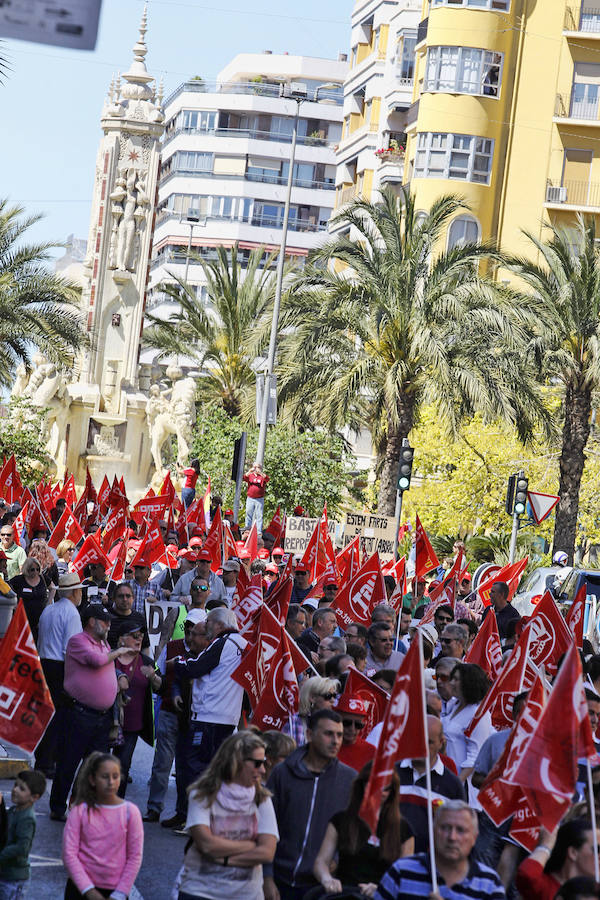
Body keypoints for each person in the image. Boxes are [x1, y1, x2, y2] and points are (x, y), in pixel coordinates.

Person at [49, 604, 130, 821]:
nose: (109, 624)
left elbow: (107, 667)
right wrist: (119, 651)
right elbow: (96, 662)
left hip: (101, 716)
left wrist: (119, 676)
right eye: (105, 621)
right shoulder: (78, 641)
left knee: (92, 766)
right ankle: (58, 806)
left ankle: (79, 804)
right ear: (92, 622)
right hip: (80, 713)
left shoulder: (103, 643)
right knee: (69, 762)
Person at [174, 730, 278, 899]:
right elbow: (206, 845)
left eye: (264, 763)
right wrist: (251, 846)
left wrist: (224, 859)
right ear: (236, 761)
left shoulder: (262, 799)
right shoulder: (202, 794)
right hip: (200, 891)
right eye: (258, 763)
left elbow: (267, 853)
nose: (263, 770)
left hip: (246, 895)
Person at [266, 709, 356, 900]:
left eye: (339, 735)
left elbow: (351, 832)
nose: (336, 741)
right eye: (328, 734)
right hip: (280, 880)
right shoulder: (282, 773)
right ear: (309, 734)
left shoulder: (349, 779)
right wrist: (267, 877)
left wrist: (336, 860)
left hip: (321, 886)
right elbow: (266, 828)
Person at [172, 608, 247, 792]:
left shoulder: (223, 642)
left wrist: (177, 661)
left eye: (208, 622)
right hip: (228, 719)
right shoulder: (244, 644)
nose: (206, 626)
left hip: (208, 718)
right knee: (215, 770)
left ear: (219, 624)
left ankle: (197, 816)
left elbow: (195, 668)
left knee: (197, 771)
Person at [313, 763, 413, 898]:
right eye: (374, 785)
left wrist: (381, 888)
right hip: (344, 894)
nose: (379, 792)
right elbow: (321, 862)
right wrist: (327, 879)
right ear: (362, 785)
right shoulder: (341, 819)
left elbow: (405, 878)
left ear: (392, 792)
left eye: (385, 788)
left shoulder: (404, 829)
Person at [374, 800, 505, 900]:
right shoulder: (401, 872)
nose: (452, 837)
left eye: (461, 830)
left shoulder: (489, 884)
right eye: (446, 828)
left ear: (474, 838)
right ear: (433, 832)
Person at [62, 752, 143, 900]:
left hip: (114, 890)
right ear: (92, 779)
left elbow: (134, 856)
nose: (111, 782)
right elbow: (69, 853)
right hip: (80, 889)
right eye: (105, 777)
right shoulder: (80, 811)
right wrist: (89, 890)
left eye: (115, 776)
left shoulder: (130, 812)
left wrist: (119, 894)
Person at [34, 572, 84, 777]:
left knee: (45, 714)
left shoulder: (49, 610)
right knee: (58, 716)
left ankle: (42, 759)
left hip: (43, 663)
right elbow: (70, 649)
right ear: (74, 592)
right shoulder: (71, 613)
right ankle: (47, 762)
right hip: (59, 666)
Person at [396, 715, 465, 852]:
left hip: (428, 866)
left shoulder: (452, 786)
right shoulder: (392, 774)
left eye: (429, 742)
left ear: (441, 743)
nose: (422, 747)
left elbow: (459, 831)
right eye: (418, 740)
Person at [112, 621, 163, 797]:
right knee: (98, 762)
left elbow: (161, 687)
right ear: (121, 639)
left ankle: (116, 804)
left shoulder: (147, 661)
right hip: (106, 721)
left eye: (141, 636)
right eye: (134, 636)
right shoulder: (109, 658)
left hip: (132, 725)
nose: (139, 639)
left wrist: (153, 677)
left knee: (123, 766)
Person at [441, 663, 493, 799]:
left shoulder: (478, 715)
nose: (451, 683)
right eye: (452, 678)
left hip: (463, 790)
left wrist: (456, 784)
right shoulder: (452, 705)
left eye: (456, 679)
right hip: (444, 778)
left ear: (469, 683)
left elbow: (475, 757)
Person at [516, 819, 597, 900]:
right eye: (597, 850)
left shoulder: (595, 893)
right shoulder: (546, 887)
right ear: (573, 853)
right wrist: (546, 845)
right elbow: (527, 875)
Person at [0, 769, 46, 899]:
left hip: (14, 880)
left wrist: (1, 855)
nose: (15, 790)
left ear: (34, 797)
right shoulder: (14, 810)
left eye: (21, 788)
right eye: (15, 785)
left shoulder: (27, 818)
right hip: (5, 874)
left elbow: (22, 847)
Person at [283, 676, 340, 747]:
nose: (332, 700)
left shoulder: (337, 723)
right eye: (328, 696)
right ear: (312, 698)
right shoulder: (294, 722)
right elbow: (286, 752)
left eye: (334, 696)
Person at [10, 557, 47, 643]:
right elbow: (7, 587)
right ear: (27, 569)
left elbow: (53, 588)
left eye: (37, 569)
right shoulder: (19, 580)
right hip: (23, 618)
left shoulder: (43, 578)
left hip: (39, 619)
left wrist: (48, 603)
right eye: (32, 569)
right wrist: (14, 603)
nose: (35, 572)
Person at [335, 694, 376, 772]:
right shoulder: (323, 745)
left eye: (358, 725)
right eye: (347, 723)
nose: (352, 729)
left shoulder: (371, 752)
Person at [107, 583, 148, 650]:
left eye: (128, 596)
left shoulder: (140, 619)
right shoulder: (105, 617)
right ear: (113, 599)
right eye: (121, 596)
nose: (125, 599)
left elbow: (146, 646)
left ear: (133, 598)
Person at [243, 461, 269, 532]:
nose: (256, 469)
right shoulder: (250, 475)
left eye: (258, 467)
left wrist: (260, 472)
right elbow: (244, 477)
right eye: (255, 467)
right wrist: (249, 471)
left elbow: (267, 479)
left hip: (259, 499)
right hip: (250, 498)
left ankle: (258, 532)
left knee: (259, 516)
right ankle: (247, 529)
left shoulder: (262, 476)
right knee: (249, 514)